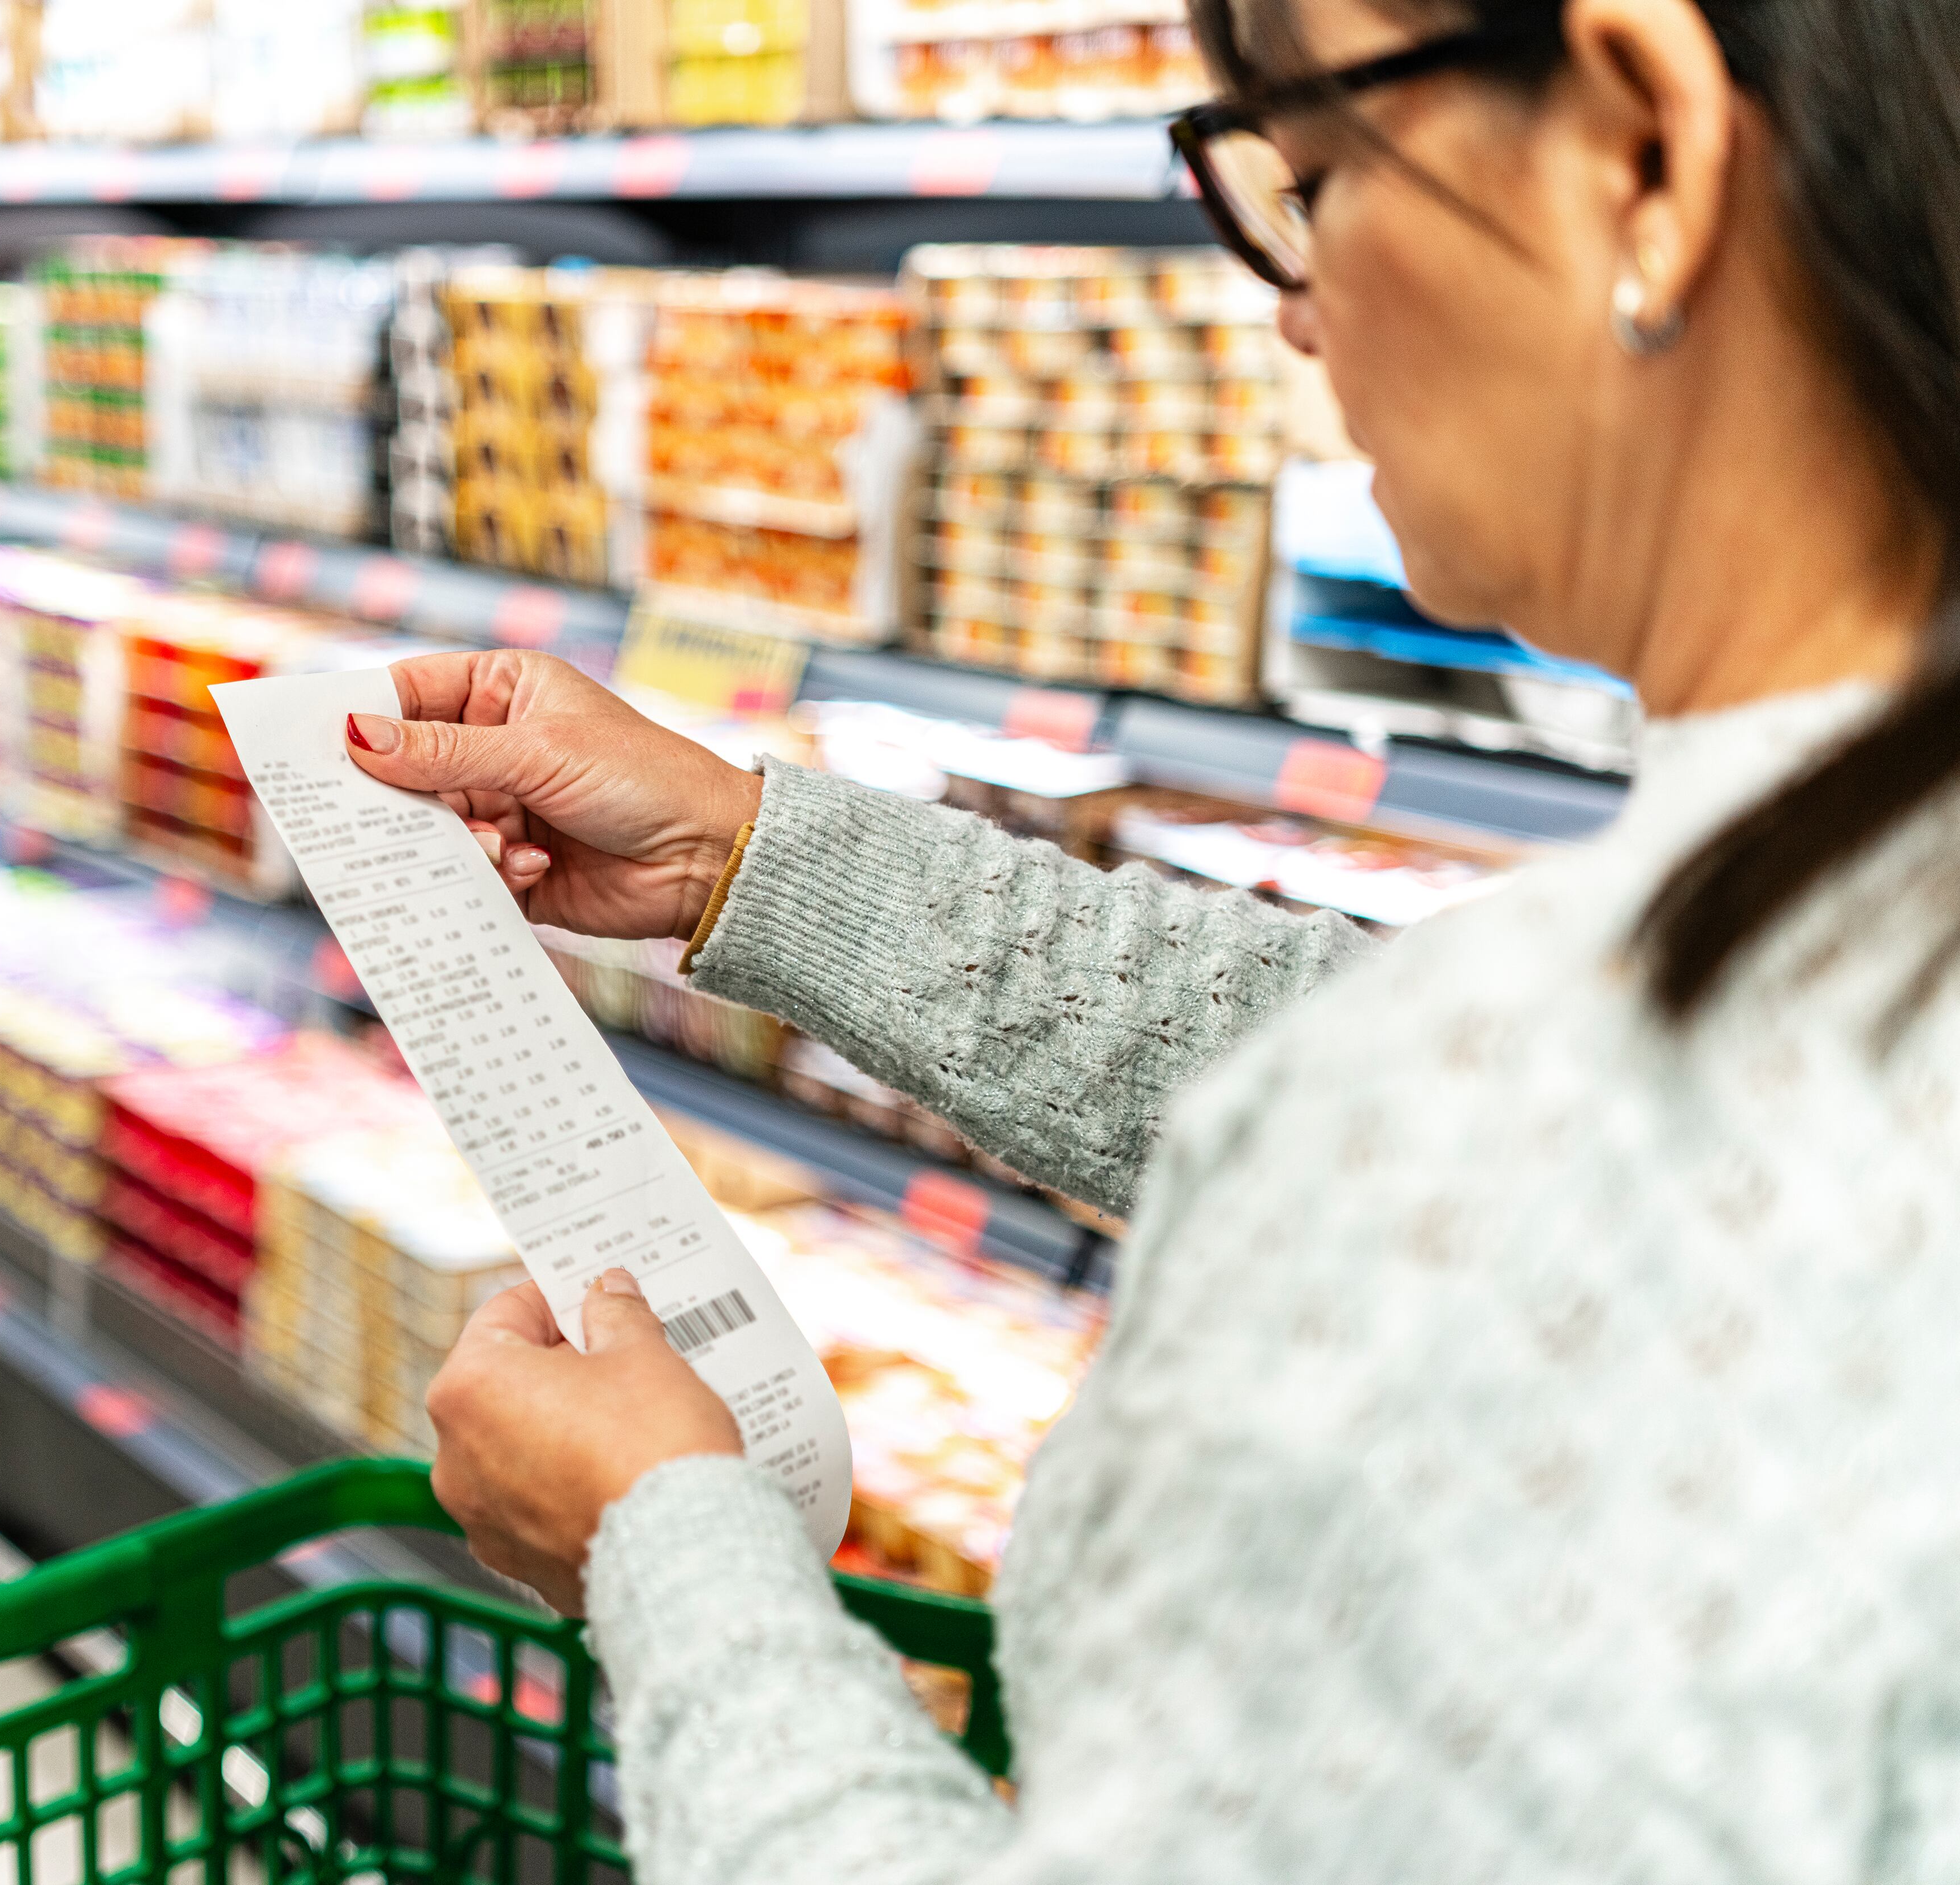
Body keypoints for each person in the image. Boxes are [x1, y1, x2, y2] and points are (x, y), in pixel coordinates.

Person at [345, 0, 1960, 1874]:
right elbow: (1371, 1049)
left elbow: (1449, 1105)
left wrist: (668, 1547)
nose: (1290, 299)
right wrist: (744, 855)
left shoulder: (1576, 1097)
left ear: (1649, 148)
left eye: (1318, 173)